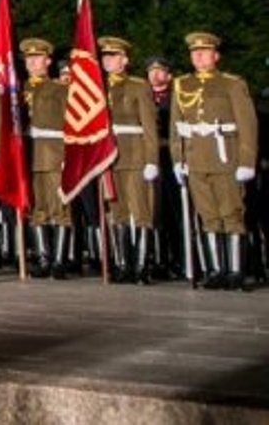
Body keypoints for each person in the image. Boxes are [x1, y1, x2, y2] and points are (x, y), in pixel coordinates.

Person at [172, 30, 258, 290]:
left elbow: (247, 124)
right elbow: (176, 126)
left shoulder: (232, 84)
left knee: (231, 214)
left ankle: (235, 271)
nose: (197, 55)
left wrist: (246, 160)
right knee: (207, 216)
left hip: (225, 157)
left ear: (215, 55)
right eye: (193, 52)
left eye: (203, 51)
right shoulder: (182, 84)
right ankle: (215, 269)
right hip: (196, 158)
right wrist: (178, 158)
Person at [99, 35, 161, 282]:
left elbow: (148, 126)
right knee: (117, 211)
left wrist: (151, 160)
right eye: (105, 56)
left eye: (113, 56)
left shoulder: (138, 86)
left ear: (125, 60)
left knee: (141, 210)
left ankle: (142, 265)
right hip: (108, 158)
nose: (107, 60)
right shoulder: (98, 86)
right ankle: (122, 263)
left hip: (134, 154)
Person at [20, 37, 74, 277]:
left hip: (54, 152)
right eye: (28, 59)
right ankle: (43, 258)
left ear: (48, 60)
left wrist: (68, 153)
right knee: (36, 206)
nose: (31, 62)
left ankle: (60, 260)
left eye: (37, 57)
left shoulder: (60, 88)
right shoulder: (20, 89)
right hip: (30, 153)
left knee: (60, 205)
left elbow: (71, 123)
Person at [147, 54, 183, 280]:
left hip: (170, 157)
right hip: (151, 158)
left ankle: (180, 259)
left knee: (175, 212)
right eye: (151, 71)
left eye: (160, 71)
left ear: (169, 76)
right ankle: (158, 259)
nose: (154, 75)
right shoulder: (144, 96)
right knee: (154, 211)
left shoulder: (177, 97)